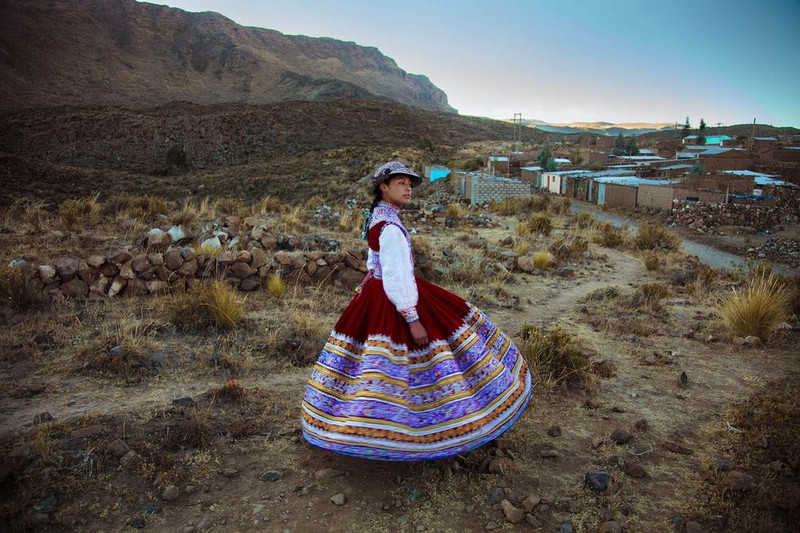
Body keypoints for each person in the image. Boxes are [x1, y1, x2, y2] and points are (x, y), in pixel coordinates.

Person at [301, 161, 532, 461]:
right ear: (383, 187)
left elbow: (374, 264)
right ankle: (417, 430)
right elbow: (396, 275)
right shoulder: (390, 228)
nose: (408, 187)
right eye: (400, 182)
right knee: (426, 357)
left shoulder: (378, 217)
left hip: (375, 294)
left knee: (367, 363)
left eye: (409, 183)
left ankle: (361, 423)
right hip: (394, 297)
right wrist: (412, 317)